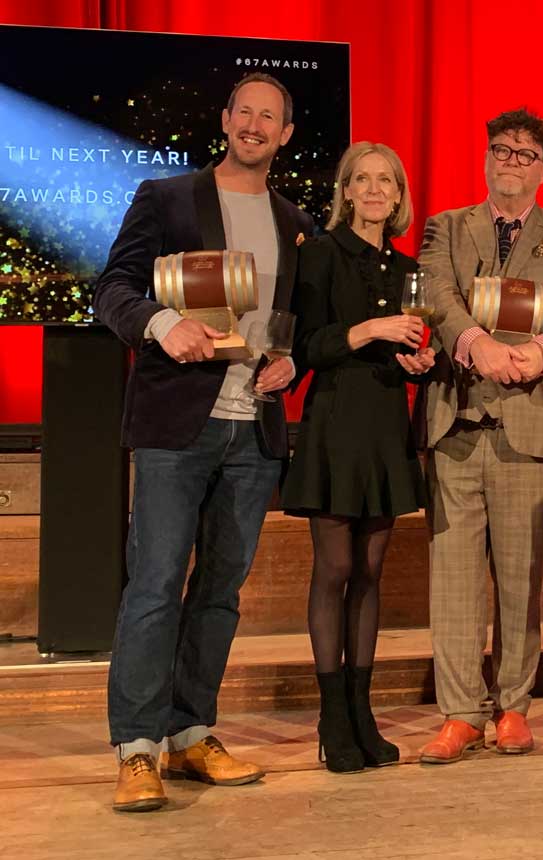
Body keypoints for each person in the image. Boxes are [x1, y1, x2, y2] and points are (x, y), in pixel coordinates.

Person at [94, 72, 314, 812]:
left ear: (286, 135)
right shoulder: (167, 198)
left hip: (255, 429)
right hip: (175, 427)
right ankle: (137, 747)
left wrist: (292, 361)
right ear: (225, 120)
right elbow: (114, 289)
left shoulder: (295, 220)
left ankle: (191, 734)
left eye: (269, 117)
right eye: (243, 111)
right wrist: (164, 324)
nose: (254, 125)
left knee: (219, 594)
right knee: (154, 588)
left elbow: (293, 330)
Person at [414, 108, 543, 763]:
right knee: (455, 579)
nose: (510, 161)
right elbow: (436, 292)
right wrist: (475, 343)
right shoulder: (446, 227)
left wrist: (538, 352)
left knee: (521, 579)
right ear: (487, 158)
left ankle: (513, 708)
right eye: (501, 150)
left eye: (524, 154)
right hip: (459, 424)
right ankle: (461, 713)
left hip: (535, 425)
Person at [281, 142, 428, 773]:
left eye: (385, 181)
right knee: (335, 569)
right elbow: (302, 346)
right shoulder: (317, 255)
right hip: (334, 421)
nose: (373, 190)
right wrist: (367, 331)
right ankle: (331, 713)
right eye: (361, 179)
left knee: (370, 574)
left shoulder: (408, 269)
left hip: (385, 422)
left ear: (398, 196)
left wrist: (425, 361)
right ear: (345, 191)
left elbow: (421, 345)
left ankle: (363, 711)